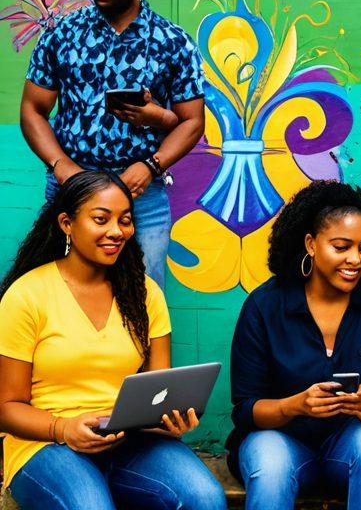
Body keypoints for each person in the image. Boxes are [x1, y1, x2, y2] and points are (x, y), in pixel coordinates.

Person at [0, 169, 226, 510]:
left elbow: (158, 389)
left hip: (128, 439)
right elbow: (6, 408)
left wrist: (167, 420)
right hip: (46, 444)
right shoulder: (27, 295)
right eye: (101, 219)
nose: (116, 231)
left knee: (204, 497)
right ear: (66, 223)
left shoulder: (144, 293)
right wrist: (63, 428)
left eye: (125, 220)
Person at [19, 0, 206, 286]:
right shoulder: (63, 33)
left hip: (141, 195)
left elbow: (192, 123)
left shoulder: (172, 41)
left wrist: (151, 166)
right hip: (71, 189)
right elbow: (33, 110)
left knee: (144, 296)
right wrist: (63, 168)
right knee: (62, 295)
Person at [228, 180, 361, 510]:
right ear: (311, 244)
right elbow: (245, 409)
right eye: (341, 247)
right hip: (281, 442)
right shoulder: (265, 306)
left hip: (350, 443)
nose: (356, 259)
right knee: (270, 465)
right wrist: (295, 406)